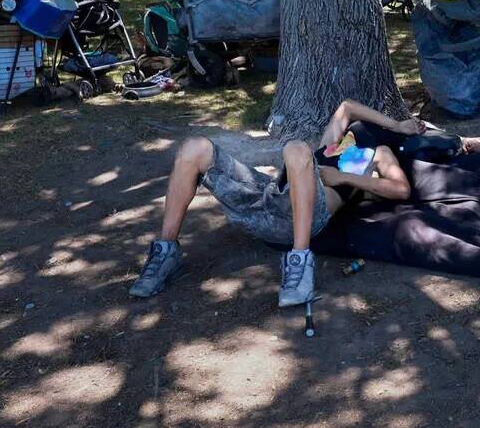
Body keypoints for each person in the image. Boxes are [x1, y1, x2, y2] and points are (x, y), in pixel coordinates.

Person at [129, 99, 422, 306]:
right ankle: (165, 252)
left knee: (296, 148)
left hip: (306, 219)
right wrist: (397, 121)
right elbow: (347, 107)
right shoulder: (333, 143)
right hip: (267, 202)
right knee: (194, 147)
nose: (356, 130)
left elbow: (400, 189)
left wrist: (345, 178)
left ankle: (300, 263)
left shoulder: (377, 153)